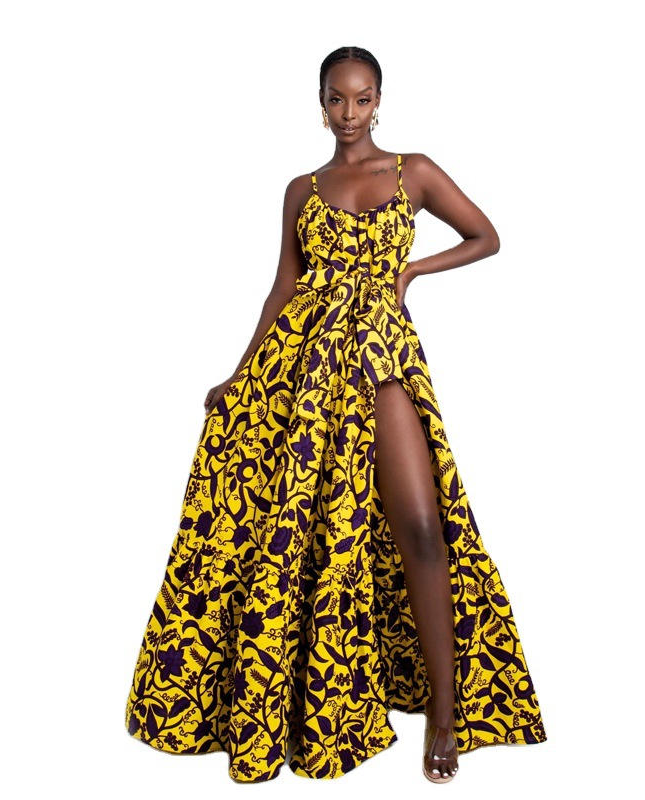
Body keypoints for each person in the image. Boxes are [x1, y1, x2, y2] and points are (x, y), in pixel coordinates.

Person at [124, 45, 547, 785]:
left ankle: (445, 712)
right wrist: (239, 373)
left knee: (422, 526)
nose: (349, 112)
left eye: (362, 98)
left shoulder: (413, 171)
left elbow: (486, 237)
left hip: (381, 358)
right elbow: (284, 286)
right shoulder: (302, 189)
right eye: (336, 99)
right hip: (306, 367)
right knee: (302, 534)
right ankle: (302, 699)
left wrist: (411, 270)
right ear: (320, 104)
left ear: (380, 100)